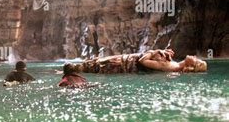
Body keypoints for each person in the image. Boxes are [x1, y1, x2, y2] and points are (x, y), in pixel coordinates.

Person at [72, 49, 207, 74]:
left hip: (124, 64)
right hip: (127, 61)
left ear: (192, 66)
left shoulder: (173, 67)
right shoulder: (174, 64)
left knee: (97, 65)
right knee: (95, 64)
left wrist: (155, 51)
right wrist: (162, 52)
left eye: (196, 59)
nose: (194, 56)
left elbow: (143, 61)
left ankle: (72, 69)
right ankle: (72, 69)